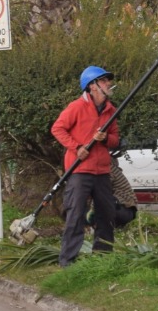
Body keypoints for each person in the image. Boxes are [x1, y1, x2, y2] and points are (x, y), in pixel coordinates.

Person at [51, 65, 120, 267]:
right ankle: (67, 261)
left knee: (106, 215)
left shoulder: (111, 110)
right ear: (92, 86)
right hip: (80, 170)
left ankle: (103, 258)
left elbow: (116, 140)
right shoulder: (76, 107)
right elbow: (58, 128)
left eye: (108, 80)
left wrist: (105, 138)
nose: (108, 83)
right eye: (104, 80)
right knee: (75, 214)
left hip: (102, 171)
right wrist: (77, 147)